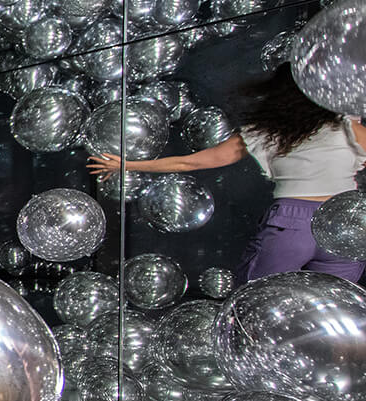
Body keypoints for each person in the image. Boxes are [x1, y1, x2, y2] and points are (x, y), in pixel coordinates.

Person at [88, 65, 366, 283]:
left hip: (292, 222)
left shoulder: (265, 131)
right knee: (336, 309)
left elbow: (192, 163)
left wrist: (126, 165)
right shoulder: (348, 127)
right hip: (347, 223)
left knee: (257, 302)